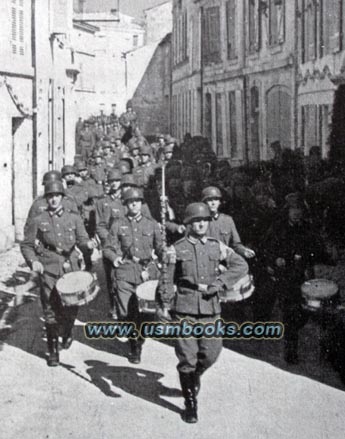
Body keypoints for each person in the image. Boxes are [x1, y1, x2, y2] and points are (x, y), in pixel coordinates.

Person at [157, 202, 248, 423]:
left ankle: (195, 374)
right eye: (196, 221)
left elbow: (240, 265)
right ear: (188, 223)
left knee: (211, 353)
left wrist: (220, 283)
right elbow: (167, 278)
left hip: (210, 307)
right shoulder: (177, 249)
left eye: (205, 220)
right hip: (185, 308)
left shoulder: (218, 247)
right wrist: (165, 305)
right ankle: (190, 404)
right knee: (187, 356)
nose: (201, 224)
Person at [20, 181, 95, 366]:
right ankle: (53, 351)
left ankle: (67, 331)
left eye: (57, 195)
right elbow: (27, 245)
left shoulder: (74, 218)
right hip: (49, 268)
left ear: (62, 197)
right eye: (50, 196)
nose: (54, 199)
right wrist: (34, 261)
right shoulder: (39, 219)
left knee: (71, 308)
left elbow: (83, 239)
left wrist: (89, 245)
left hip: (71, 266)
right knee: (50, 309)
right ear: (47, 198)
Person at [103, 187, 163, 364]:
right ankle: (134, 344)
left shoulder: (151, 224)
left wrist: (164, 253)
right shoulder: (117, 224)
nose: (134, 205)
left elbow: (159, 247)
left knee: (145, 315)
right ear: (126, 205)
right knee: (125, 312)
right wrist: (114, 259)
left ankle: (138, 342)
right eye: (130, 202)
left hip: (147, 274)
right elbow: (108, 248)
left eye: (137, 202)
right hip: (126, 272)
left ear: (141, 204)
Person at [95, 168, 124, 319]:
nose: (114, 184)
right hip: (109, 245)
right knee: (110, 278)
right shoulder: (102, 202)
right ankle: (113, 305)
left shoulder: (127, 199)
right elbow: (99, 225)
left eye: (117, 181)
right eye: (111, 181)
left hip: (126, 244)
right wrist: (109, 240)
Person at [201, 186, 255, 260]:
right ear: (204, 203)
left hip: (224, 262)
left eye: (216, 200)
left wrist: (244, 251)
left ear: (219, 202)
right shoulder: (199, 221)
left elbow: (236, 245)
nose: (213, 203)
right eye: (210, 200)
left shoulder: (227, 220)